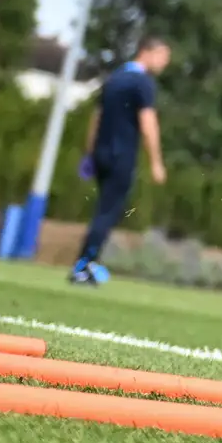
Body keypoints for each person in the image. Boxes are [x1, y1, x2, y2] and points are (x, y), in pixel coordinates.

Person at [68, 37, 168, 286]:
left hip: (102, 154)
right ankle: (84, 265)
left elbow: (97, 117)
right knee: (108, 212)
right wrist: (156, 161)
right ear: (149, 52)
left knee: (104, 209)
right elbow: (148, 124)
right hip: (121, 155)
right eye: (163, 57)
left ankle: (88, 263)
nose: (164, 63)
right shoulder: (142, 83)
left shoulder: (115, 78)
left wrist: (90, 153)